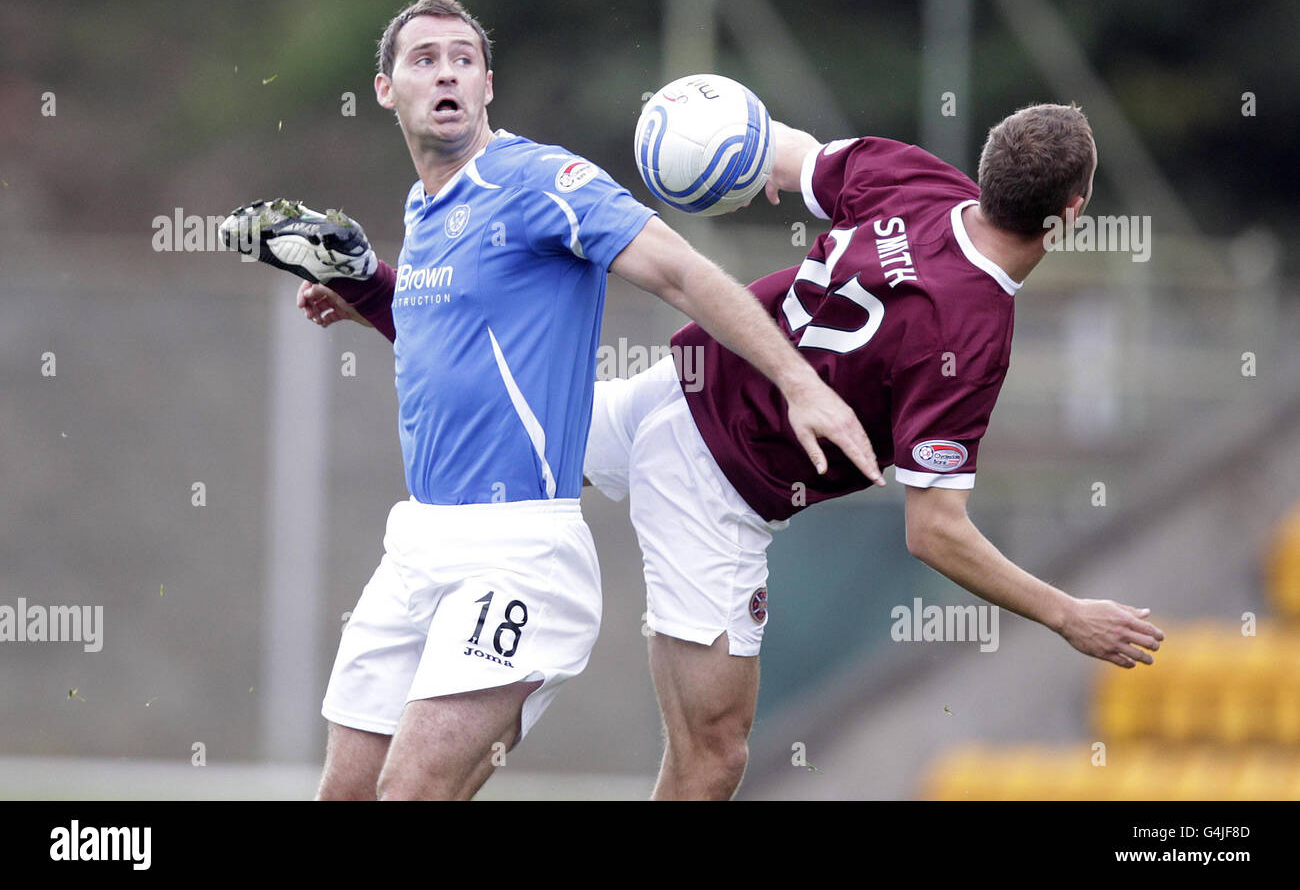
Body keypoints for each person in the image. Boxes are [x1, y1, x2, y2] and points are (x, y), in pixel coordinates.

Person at [299, 102, 1166, 800]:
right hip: (720, 488)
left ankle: (381, 290)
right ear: (1073, 213)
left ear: (984, 168)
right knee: (713, 759)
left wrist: (708, 123)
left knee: (517, 404)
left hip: (667, 389)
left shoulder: (914, 175)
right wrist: (1066, 614)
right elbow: (934, 532)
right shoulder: (975, 335)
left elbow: (776, 154)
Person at [220, 0, 881, 801]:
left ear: (488, 84)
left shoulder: (541, 181)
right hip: (419, 541)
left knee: (409, 796)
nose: (447, 73)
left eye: (463, 58)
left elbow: (679, 269)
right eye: (424, 60)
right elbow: (457, 338)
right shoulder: (426, 207)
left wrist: (797, 380)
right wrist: (365, 288)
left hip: (519, 553)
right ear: (387, 89)